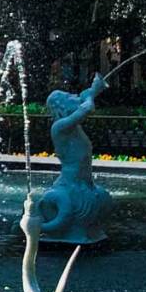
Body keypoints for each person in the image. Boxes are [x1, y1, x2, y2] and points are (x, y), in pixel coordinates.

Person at [37, 73, 112, 243]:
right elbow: (86, 108)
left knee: (101, 197)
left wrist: (93, 90)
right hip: (70, 185)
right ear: (61, 107)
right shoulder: (60, 127)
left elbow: (84, 99)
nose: (74, 96)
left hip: (85, 183)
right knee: (81, 204)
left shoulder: (72, 126)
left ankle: (89, 229)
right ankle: (68, 231)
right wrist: (93, 92)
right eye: (69, 96)